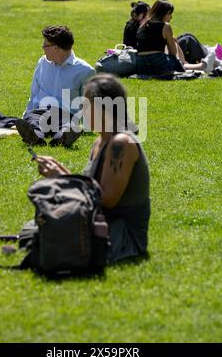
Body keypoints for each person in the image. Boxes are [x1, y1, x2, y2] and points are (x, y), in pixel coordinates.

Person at [34, 73, 151, 264]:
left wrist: (64, 179)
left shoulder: (122, 143)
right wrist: (61, 174)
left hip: (121, 235)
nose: (82, 110)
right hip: (99, 223)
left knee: (51, 238)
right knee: (41, 228)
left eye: (86, 105)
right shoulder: (101, 140)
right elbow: (91, 189)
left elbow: (106, 200)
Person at [15, 25, 95, 147]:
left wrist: (87, 125)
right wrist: (26, 114)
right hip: (39, 111)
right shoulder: (42, 62)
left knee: (65, 124)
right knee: (34, 121)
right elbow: (34, 92)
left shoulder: (85, 70)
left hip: (65, 113)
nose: (43, 48)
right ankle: (34, 136)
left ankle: (63, 136)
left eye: (45, 45)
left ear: (56, 48)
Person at [136, 0, 185, 75]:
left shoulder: (142, 25)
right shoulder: (166, 26)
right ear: (162, 13)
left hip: (141, 65)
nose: (171, 17)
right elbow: (173, 52)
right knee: (177, 61)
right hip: (158, 63)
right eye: (169, 14)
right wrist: (171, 40)